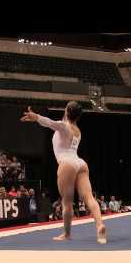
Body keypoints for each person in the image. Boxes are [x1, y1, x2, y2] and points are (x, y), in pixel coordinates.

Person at [21, 101, 107, 243]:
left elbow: (48, 123)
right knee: (89, 197)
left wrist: (35, 116)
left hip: (67, 163)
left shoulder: (64, 126)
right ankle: (99, 225)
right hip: (80, 163)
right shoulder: (77, 131)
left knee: (67, 203)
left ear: (67, 112)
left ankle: (67, 234)